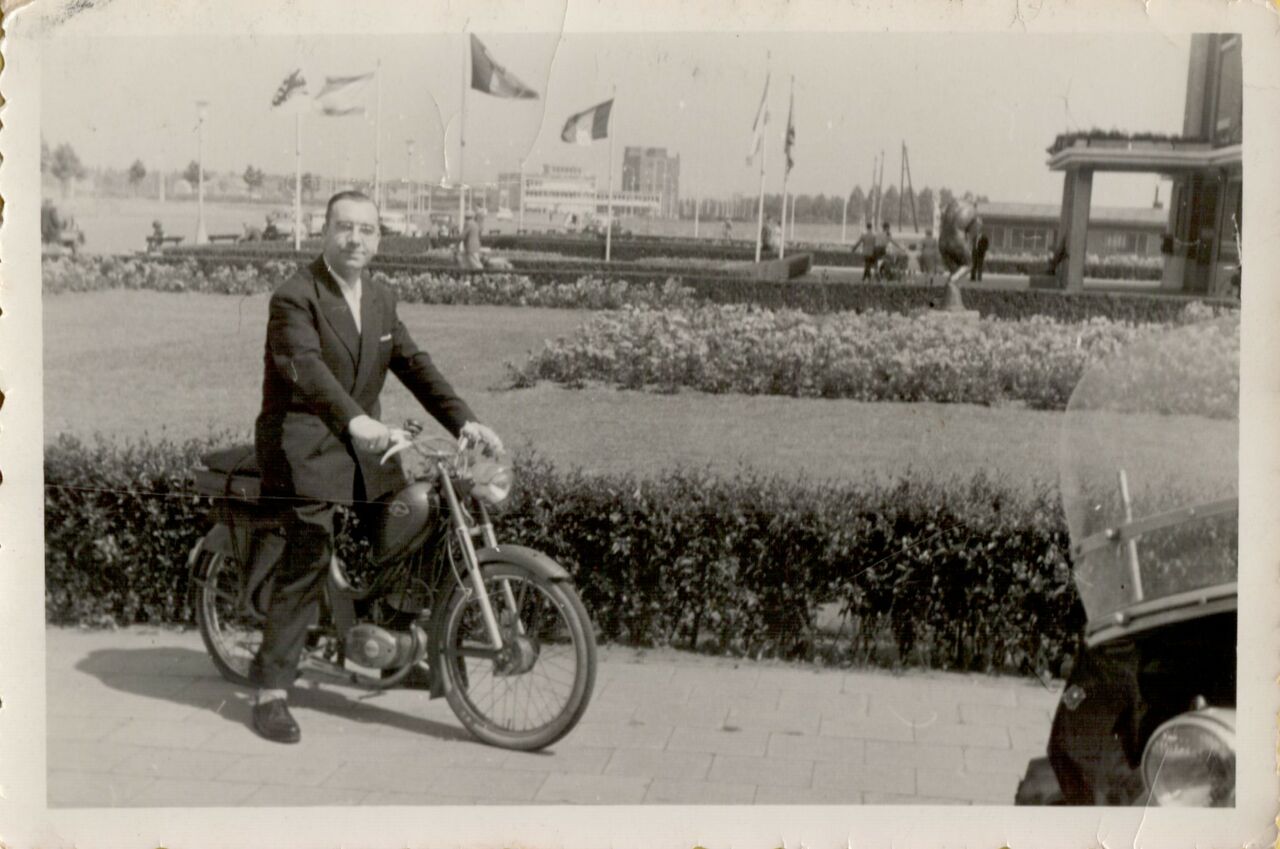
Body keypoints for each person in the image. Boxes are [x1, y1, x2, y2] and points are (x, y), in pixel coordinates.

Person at [251, 190, 502, 744]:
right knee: (309, 552)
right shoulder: (295, 297)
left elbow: (414, 364)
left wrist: (465, 421)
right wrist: (356, 421)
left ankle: (386, 638)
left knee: (415, 520)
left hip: (365, 445)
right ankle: (270, 688)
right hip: (305, 443)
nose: (355, 239)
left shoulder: (380, 298)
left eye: (367, 230)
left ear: (379, 239)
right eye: (345, 228)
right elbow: (308, 371)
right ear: (324, 232)